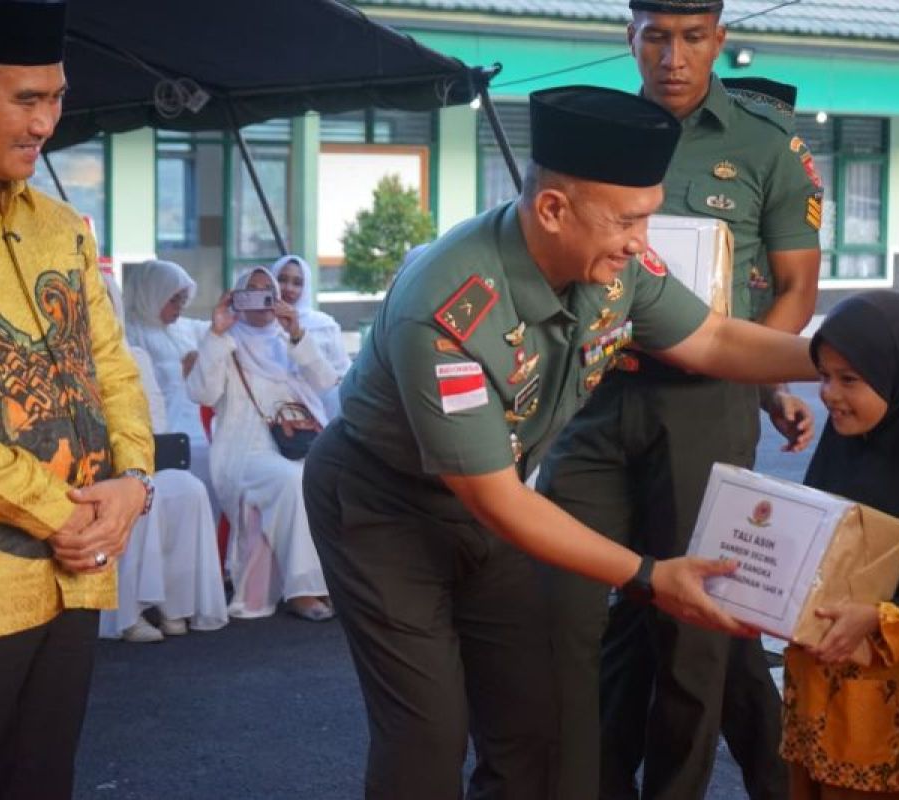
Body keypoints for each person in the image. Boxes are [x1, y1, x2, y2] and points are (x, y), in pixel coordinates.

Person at [303, 84, 818, 799]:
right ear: (552, 209)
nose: (645, 240)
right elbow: (495, 500)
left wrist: (831, 358)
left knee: (534, 721)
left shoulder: (613, 265)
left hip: (497, 493)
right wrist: (648, 576)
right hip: (382, 505)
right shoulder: (450, 306)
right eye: (631, 221)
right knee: (428, 733)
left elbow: (714, 338)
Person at [534, 1, 823, 796]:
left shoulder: (769, 143)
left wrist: (765, 381)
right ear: (629, 37)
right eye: (656, 36)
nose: (673, 57)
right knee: (569, 612)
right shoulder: (598, 136)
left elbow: (795, 286)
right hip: (591, 399)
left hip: (707, 401)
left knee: (691, 628)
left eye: (693, 37)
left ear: (719, 40)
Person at [0, 3, 155, 797]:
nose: (47, 121)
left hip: (71, 578)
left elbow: (111, 363)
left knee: (41, 780)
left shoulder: (64, 226)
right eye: (25, 99)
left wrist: (134, 484)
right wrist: (62, 512)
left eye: (57, 97)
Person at [780, 291, 899, 800]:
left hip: (882, 730)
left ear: (896, 378)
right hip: (817, 711)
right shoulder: (836, 456)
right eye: (824, 376)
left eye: (850, 379)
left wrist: (879, 618)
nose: (830, 393)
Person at [187, 267, 336, 622]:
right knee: (290, 481)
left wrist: (297, 333)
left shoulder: (289, 339)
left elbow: (326, 381)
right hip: (244, 450)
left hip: (300, 442)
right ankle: (304, 589)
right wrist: (216, 333)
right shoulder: (226, 341)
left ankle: (342, 583)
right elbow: (201, 393)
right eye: (249, 291)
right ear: (236, 298)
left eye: (267, 290)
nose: (260, 297)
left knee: (335, 476)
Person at [99, 273, 228, 643]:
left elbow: (154, 420)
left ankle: (177, 605)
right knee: (138, 493)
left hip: (137, 458)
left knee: (187, 488)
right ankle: (128, 614)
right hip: (88, 470)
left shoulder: (133, 356)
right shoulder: (58, 360)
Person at [122, 259, 218, 506]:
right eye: (173, 299)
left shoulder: (184, 329)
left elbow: (221, 330)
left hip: (200, 428)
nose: (180, 307)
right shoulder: (129, 335)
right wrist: (180, 372)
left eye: (183, 300)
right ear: (152, 295)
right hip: (162, 435)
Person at [270, 254, 351, 420]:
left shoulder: (324, 325)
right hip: (272, 417)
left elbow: (342, 376)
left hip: (320, 417)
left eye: (297, 283)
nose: (288, 288)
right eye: (282, 279)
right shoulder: (259, 324)